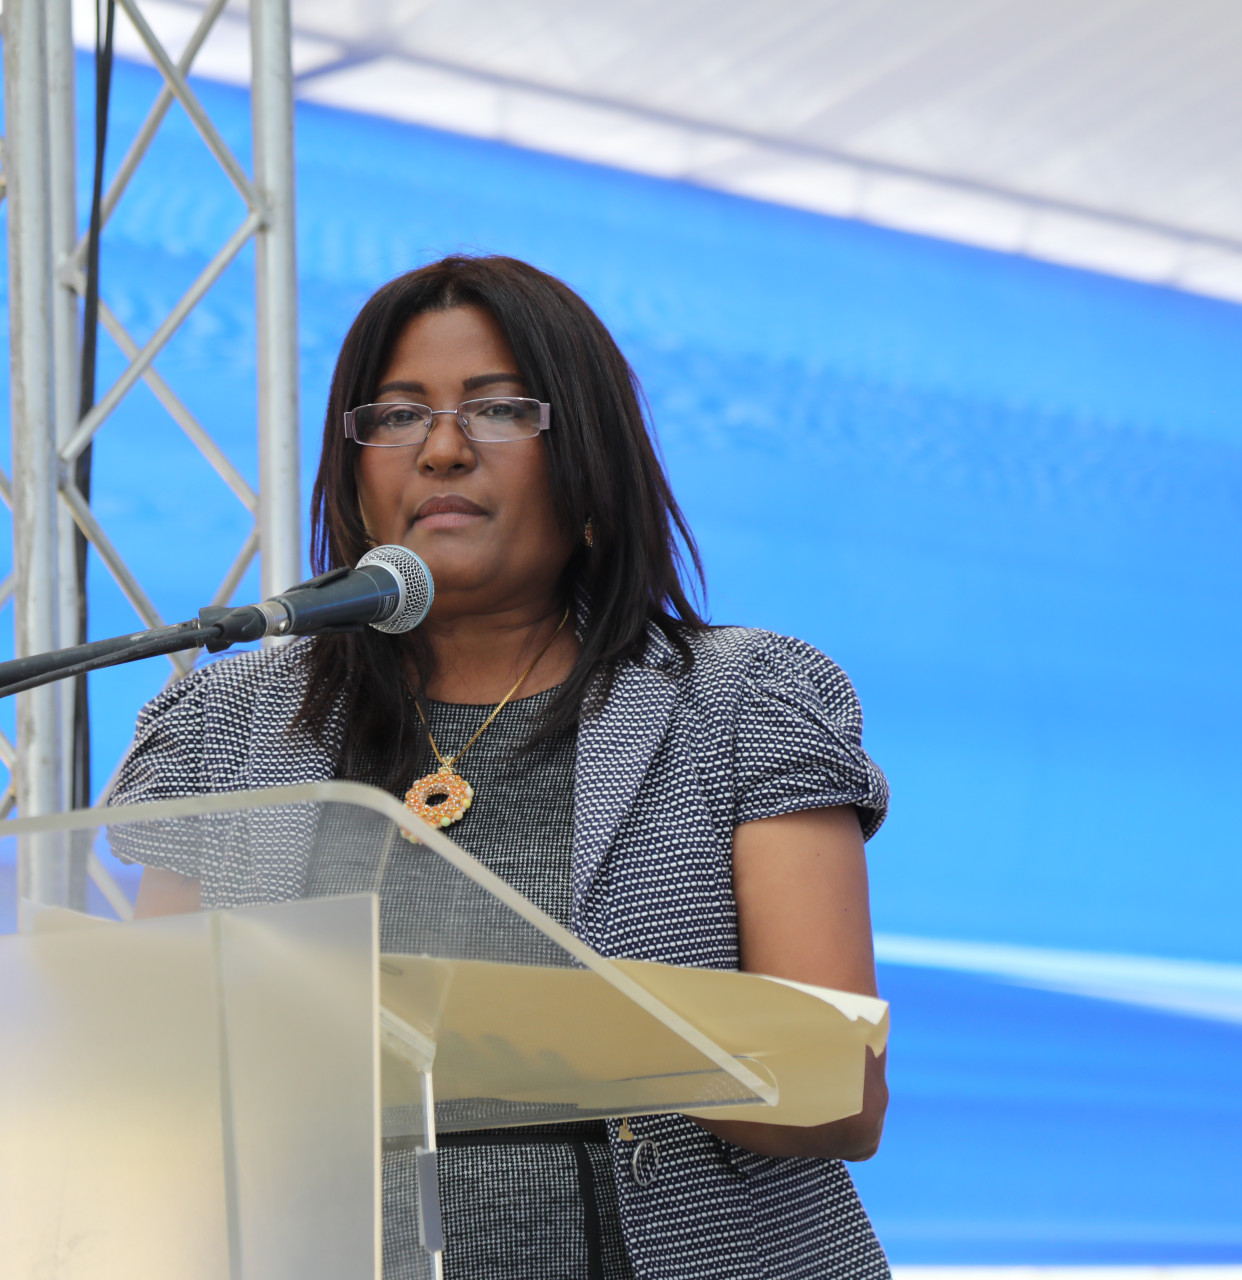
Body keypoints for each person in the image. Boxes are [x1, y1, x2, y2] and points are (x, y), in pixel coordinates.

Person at [107, 255, 891, 1280]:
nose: (442, 449)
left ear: (588, 456)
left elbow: (839, 1089)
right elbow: (158, 1082)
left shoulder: (739, 700)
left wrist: (490, 1020)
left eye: (499, 409)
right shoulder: (230, 722)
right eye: (397, 415)